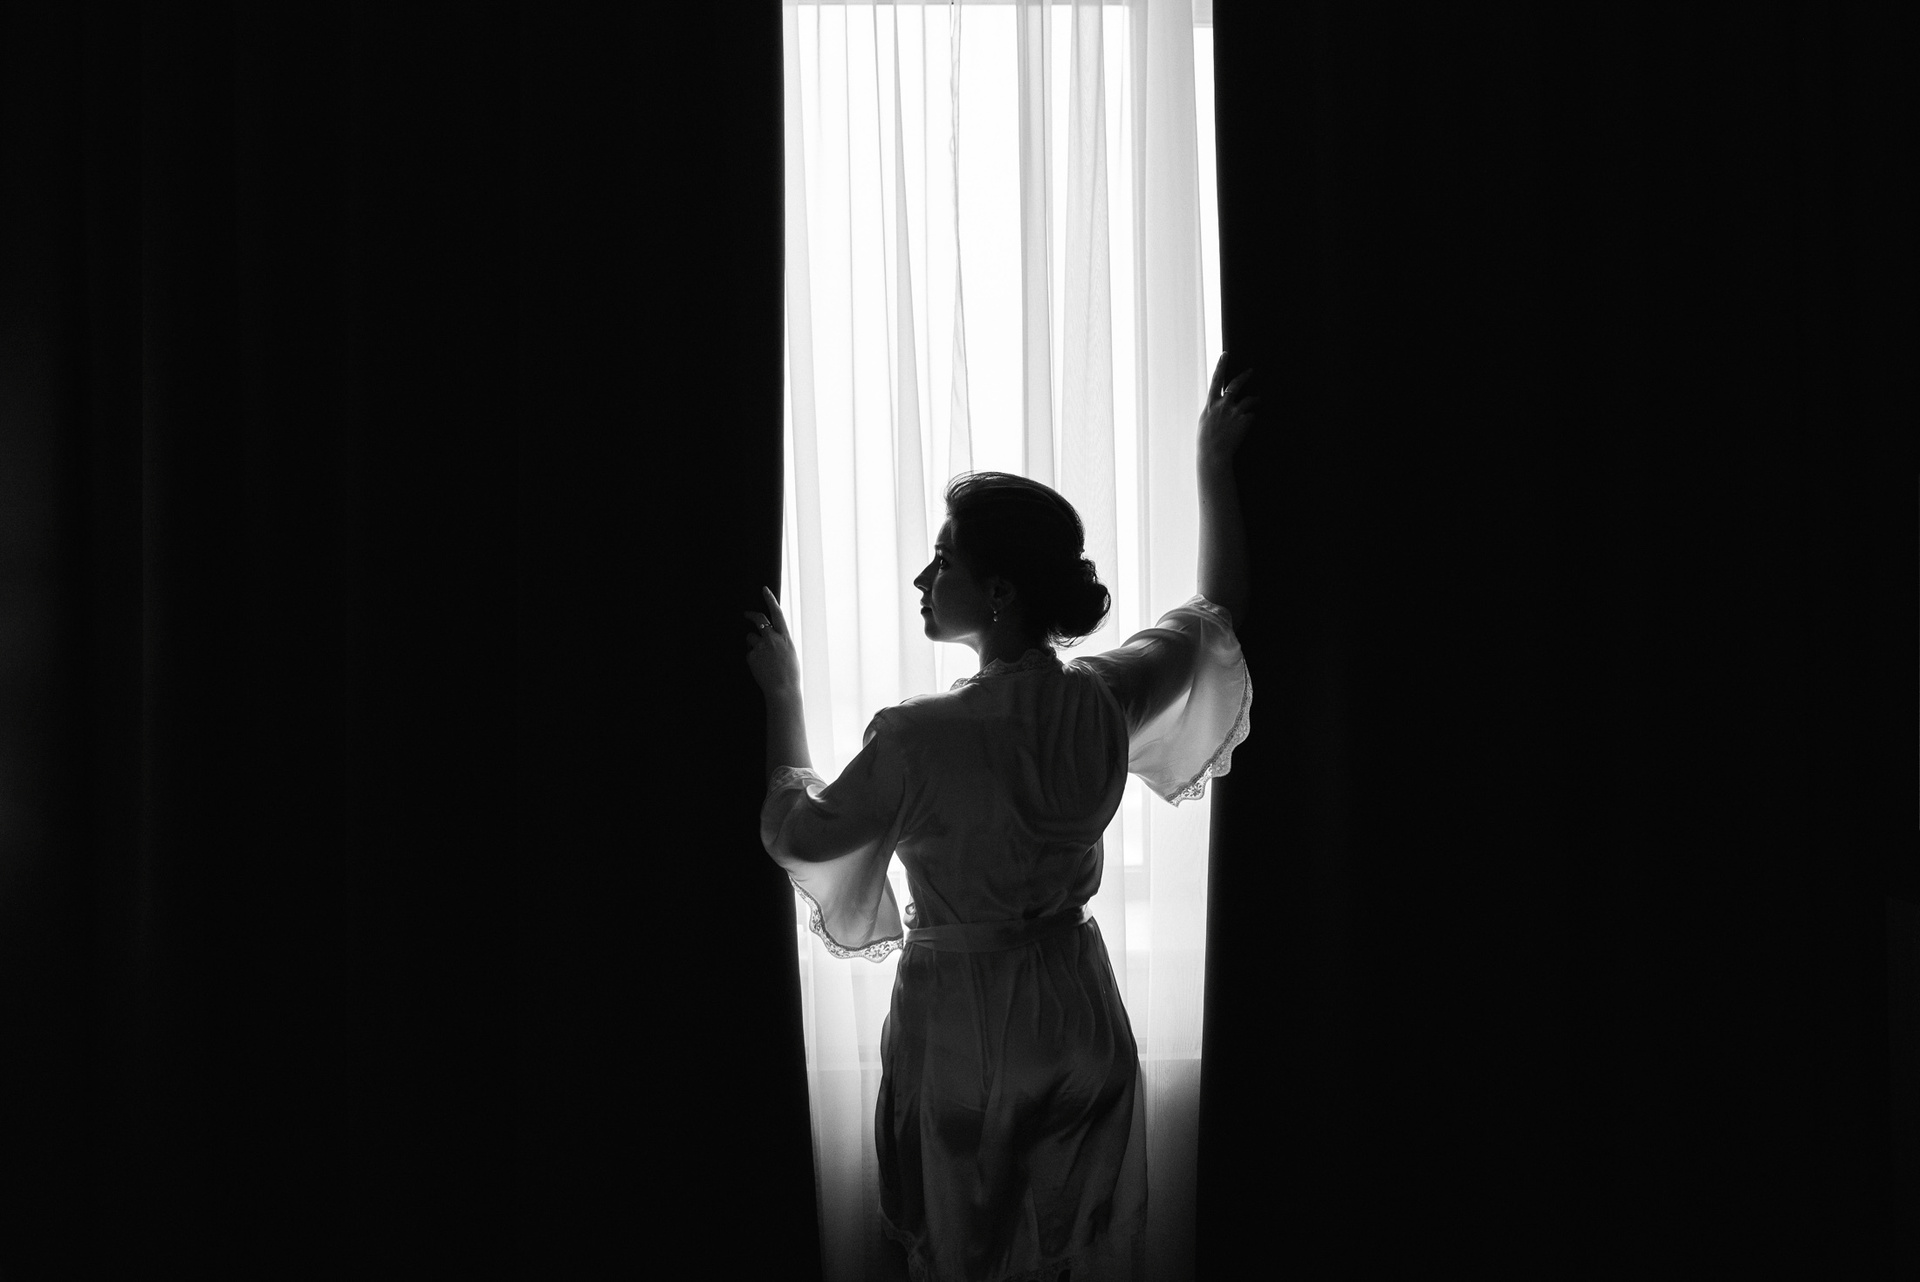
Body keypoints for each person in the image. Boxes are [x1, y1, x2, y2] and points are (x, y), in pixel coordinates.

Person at [744, 355, 1257, 1282]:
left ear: (1000, 593)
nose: (922, 576)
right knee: (1073, 1255)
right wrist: (1213, 466)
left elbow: (799, 833)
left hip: (963, 1033)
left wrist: (783, 696)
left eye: (944, 559)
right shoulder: (1102, 699)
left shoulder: (914, 738)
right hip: (1078, 1017)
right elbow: (1216, 619)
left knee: (962, 1258)